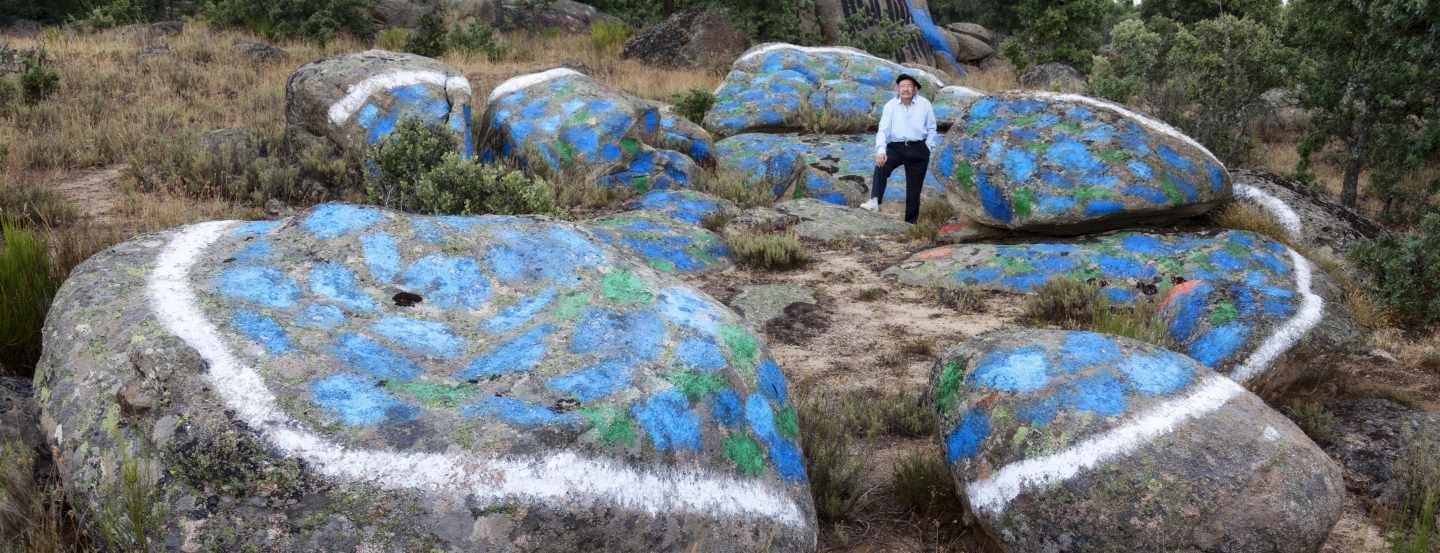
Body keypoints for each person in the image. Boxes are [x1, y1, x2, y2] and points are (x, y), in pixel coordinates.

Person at [864, 73, 938, 224]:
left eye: (909, 86)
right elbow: (883, 130)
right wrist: (881, 150)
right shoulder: (890, 106)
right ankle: (875, 201)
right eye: (903, 86)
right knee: (881, 164)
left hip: (918, 147)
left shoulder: (925, 104)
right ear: (897, 89)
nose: (906, 89)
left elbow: (932, 128)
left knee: (914, 189)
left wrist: (928, 147)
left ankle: (910, 224)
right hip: (896, 147)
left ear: (915, 89)